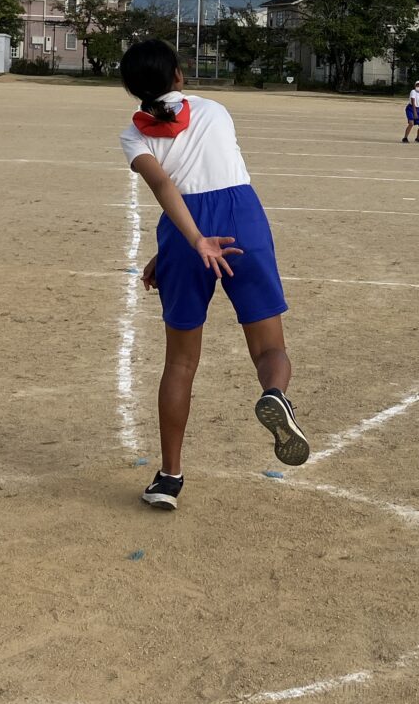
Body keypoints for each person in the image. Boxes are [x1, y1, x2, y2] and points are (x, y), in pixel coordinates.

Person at [118, 38, 306, 512]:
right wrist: (199, 238)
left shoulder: (134, 136)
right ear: (179, 76)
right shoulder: (215, 109)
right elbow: (211, 174)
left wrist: (185, 244)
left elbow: (166, 185)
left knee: (180, 363)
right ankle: (275, 395)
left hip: (184, 231)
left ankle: (169, 478)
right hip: (242, 218)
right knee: (270, 348)